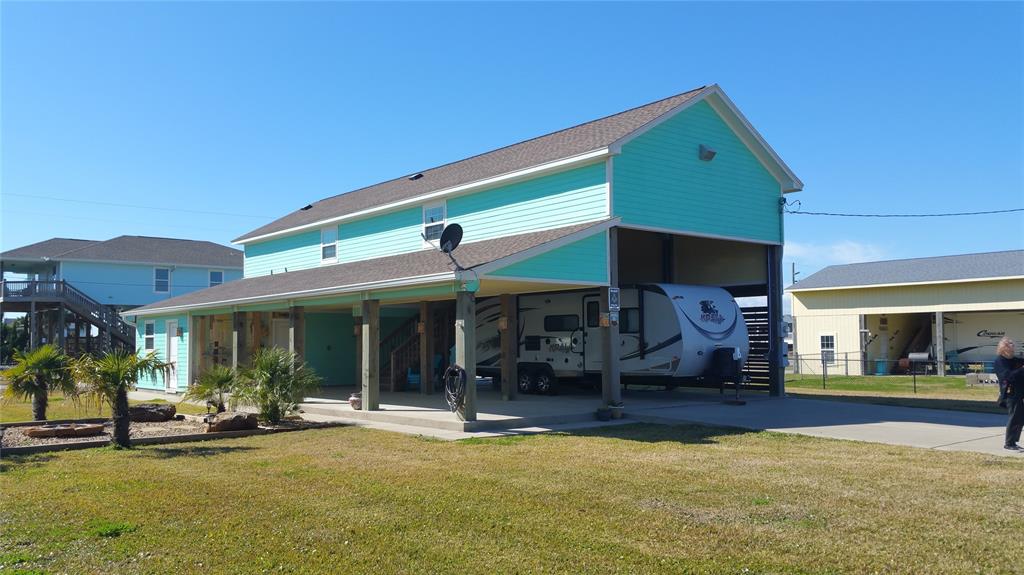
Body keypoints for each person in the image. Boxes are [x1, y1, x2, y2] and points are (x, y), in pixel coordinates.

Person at [995, 337, 1024, 451]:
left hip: (1019, 392)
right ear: (1004, 348)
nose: (1013, 346)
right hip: (1010, 394)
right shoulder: (1000, 361)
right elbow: (1007, 377)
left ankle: (1013, 442)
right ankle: (1009, 443)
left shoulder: (1014, 360)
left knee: (1020, 417)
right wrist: (1022, 370)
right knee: (1015, 417)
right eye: (1010, 344)